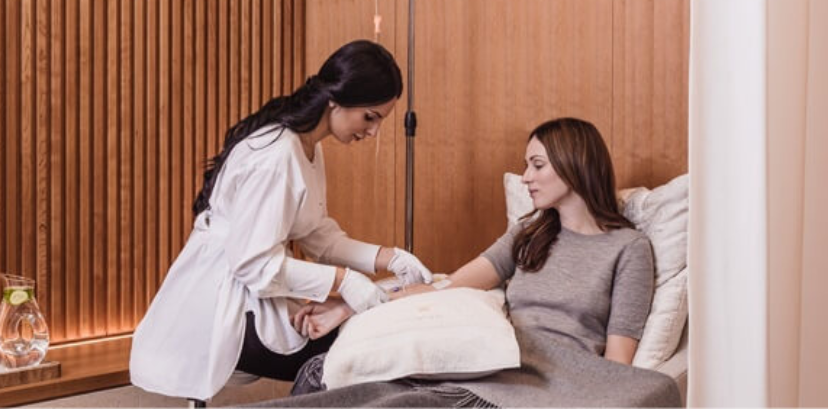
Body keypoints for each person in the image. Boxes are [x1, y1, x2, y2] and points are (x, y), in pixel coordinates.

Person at [269, 117, 679, 407]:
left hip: (557, 380)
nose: (525, 177)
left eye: (537, 165)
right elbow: (446, 287)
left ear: (576, 166)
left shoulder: (628, 248)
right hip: (492, 360)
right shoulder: (529, 234)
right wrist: (351, 304)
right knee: (344, 385)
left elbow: (617, 365)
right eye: (526, 165)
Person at [129, 40, 434, 402]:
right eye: (370, 117)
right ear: (337, 99)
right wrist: (344, 281)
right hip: (220, 306)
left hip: (250, 289)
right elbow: (252, 264)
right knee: (358, 350)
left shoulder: (306, 146)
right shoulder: (277, 156)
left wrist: (389, 257)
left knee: (359, 332)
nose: (373, 132)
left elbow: (317, 234)